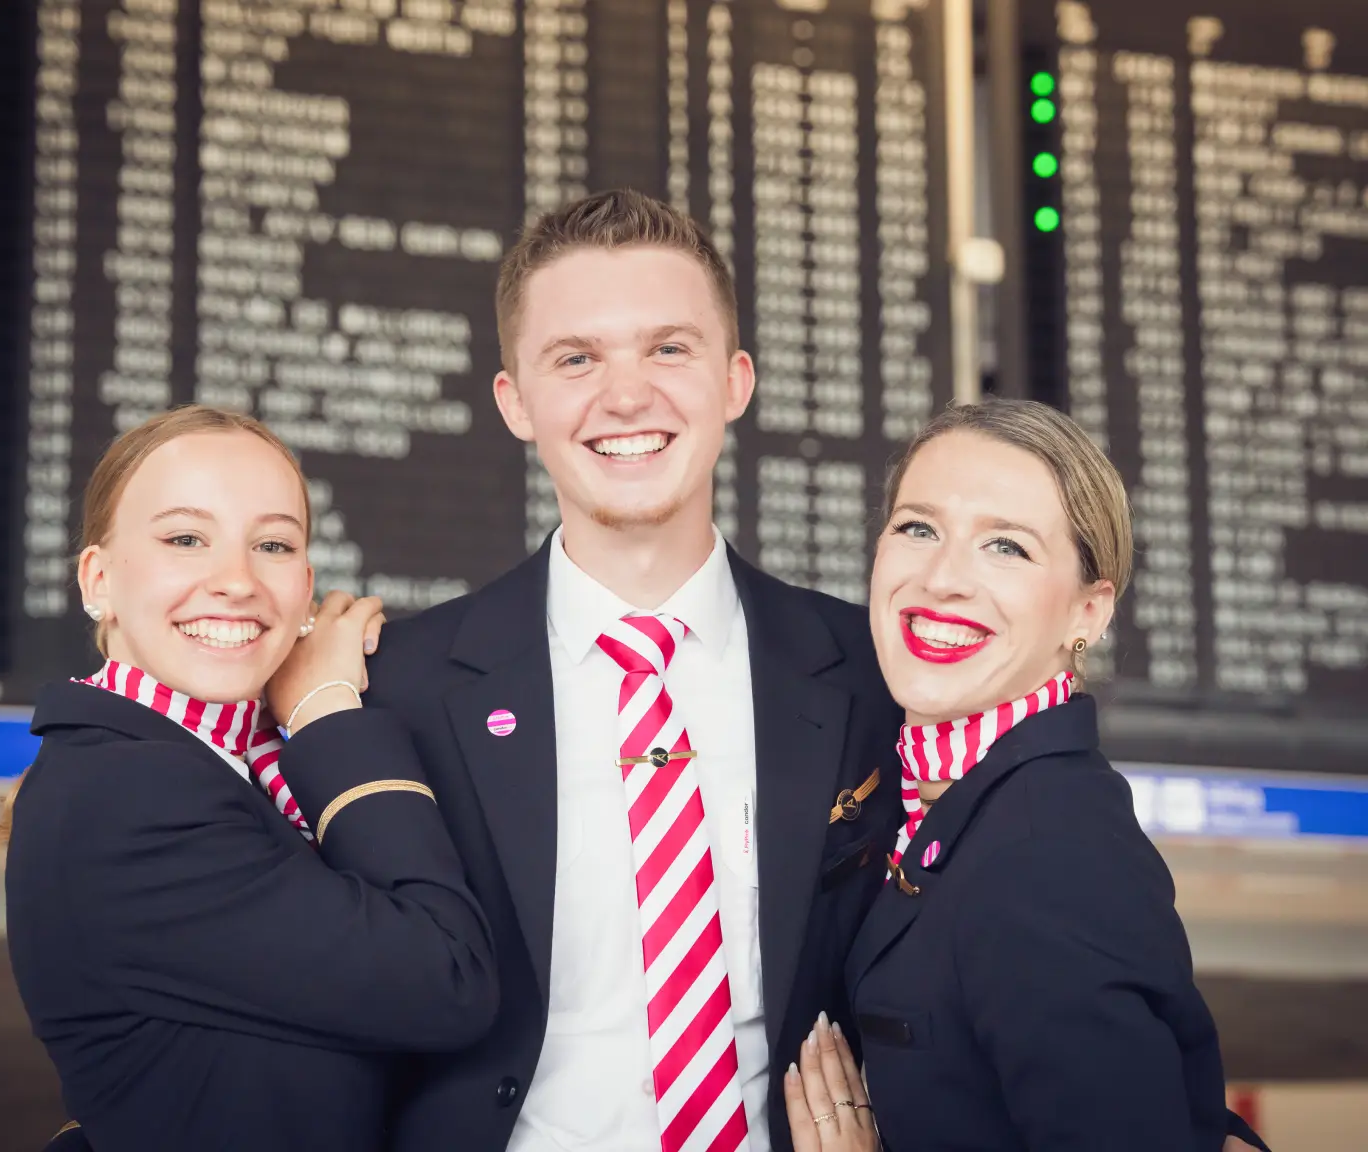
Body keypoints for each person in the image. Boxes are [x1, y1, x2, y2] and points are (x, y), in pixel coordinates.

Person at [365, 189, 903, 1151]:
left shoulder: (873, 673)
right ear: (515, 403)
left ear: (735, 380)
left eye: (669, 348)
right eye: (577, 358)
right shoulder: (396, 686)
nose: (626, 396)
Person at [3, 405, 498, 1152]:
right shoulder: (127, 795)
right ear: (97, 579)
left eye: (271, 544)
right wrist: (327, 711)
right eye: (184, 539)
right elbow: (445, 979)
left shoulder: (230, 763)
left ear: (305, 584)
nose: (235, 581)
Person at [782, 399, 1268, 1152]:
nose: (943, 578)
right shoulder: (934, 794)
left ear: (1089, 610)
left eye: (1005, 547)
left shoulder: (1049, 856)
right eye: (918, 528)